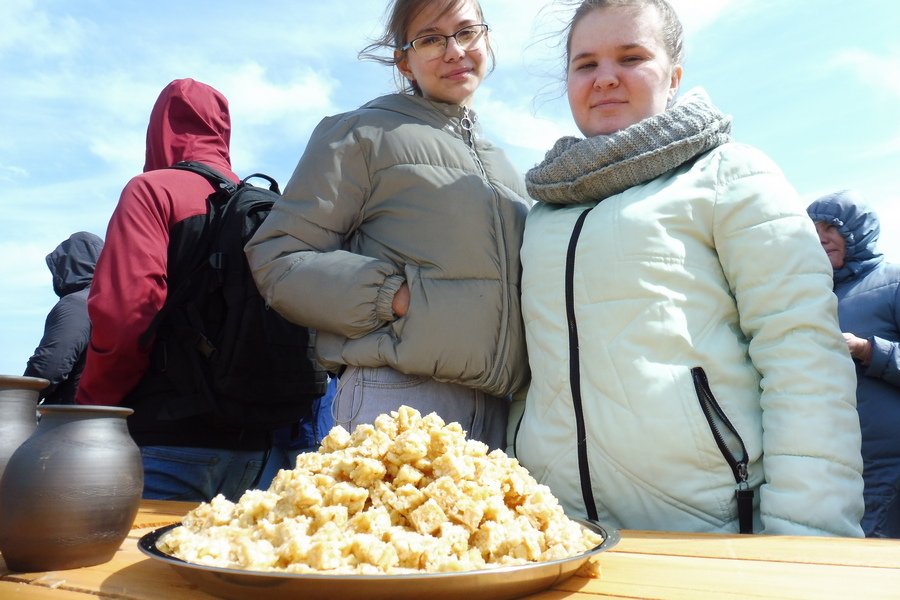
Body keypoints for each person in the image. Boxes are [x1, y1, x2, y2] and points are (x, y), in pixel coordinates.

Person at [511, 0, 865, 536]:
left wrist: (807, 537)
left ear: (673, 77)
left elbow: (803, 355)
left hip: (712, 533)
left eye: (631, 57)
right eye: (586, 64)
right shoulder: (542, 212)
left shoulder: (731, 173)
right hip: (559, 532)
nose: (605, 78)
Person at [245, 0, 531, 450]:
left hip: (503, 410)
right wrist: (392, 298)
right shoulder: (360, 134)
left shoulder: (508, 169)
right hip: (399, 396)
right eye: (431, 39)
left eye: (466, 32)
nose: (454, 51)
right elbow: (278, 258)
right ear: (405, 61)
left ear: (486, 39)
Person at [75, 79, 271, 502]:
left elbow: (125, 317)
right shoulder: (258, 205)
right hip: (261, 447)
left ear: (159, 128)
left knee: (135, 568)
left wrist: (90, 407)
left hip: (168, 439)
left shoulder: (152, 191)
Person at [807, 189, 900, 538]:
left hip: (890, 462)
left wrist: (867, 350)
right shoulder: (813, 297)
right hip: (836, 464)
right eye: (813, 230)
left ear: (856, 231)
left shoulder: (893, 282)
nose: (821, 237)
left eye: (830, 227)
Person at [24, 231, 104, 404]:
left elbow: (49, 367)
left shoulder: (77, 304)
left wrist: (17, 401)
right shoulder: (115, 303)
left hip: (69, 419)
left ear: (65, 267)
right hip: (109, 418)